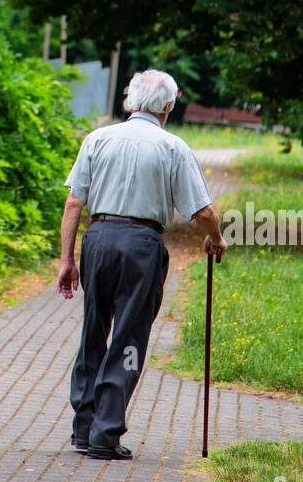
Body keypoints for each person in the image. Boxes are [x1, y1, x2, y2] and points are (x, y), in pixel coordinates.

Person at [58, 68, 226, 460]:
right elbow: (201, 211)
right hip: (141, 245)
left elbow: (72, 203)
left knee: (93, 332)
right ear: (168, 105)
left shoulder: (98, 138)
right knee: (129, 338)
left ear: (130, 101)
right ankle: (105, 433)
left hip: (97, 240)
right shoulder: (172, 147)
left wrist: (67, 260)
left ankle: (83, 428)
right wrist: (215, 236)